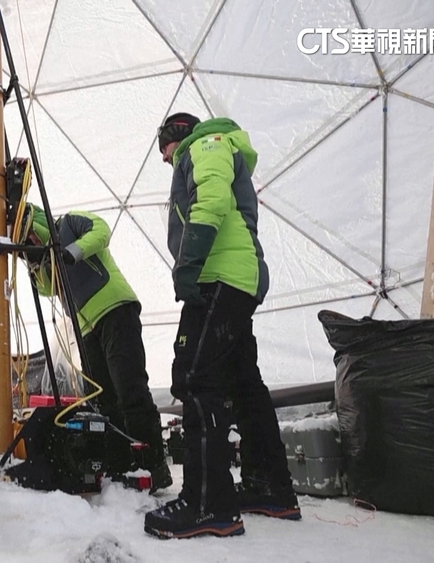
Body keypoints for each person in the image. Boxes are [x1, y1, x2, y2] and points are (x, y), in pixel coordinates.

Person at [143, 113, 300, 540]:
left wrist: (188, 266)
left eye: (164, 149)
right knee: (243, 384)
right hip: (237, 278)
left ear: (176, 136)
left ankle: (207, 504)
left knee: (195, 380)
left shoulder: (205, 145)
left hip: (218, 278)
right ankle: (271, 487)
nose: (165, 159)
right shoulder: (224, 149)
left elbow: (211, 201)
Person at [14, 203, 172, 492]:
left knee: (130, 388)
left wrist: (71, 251)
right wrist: (35, 264)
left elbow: (101, 231)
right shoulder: (46, 256)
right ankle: (121, 465)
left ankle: (153, 465)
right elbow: (48, 289)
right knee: (102, 399)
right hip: (86, 326)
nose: (31, 242)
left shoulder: (69, 223)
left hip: (114, 308)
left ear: (34, 223)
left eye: (30, 236)